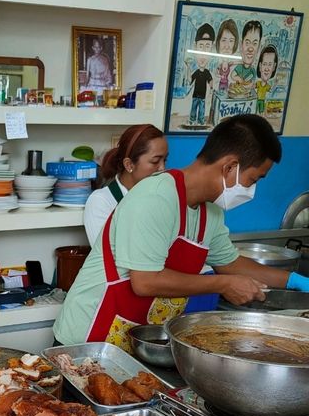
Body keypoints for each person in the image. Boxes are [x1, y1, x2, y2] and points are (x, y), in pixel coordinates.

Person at [52, 114, 309, 350]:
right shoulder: (155, 197)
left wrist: (296, 282)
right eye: (253, 180)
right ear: (230, 166)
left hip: (134, 336)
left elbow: (231, 264)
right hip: (87, 337)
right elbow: (145, 281)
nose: (252, 191)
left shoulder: (212, 211)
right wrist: (223, 284)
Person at [84, 124, 168, 247]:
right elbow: (108, 256)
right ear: (129, 165)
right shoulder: (101, 201)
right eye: (155, 161)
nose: (162, 168)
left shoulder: (161, 199)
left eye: (165, 160)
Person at [189, 23, 214, 126]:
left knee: (202, 109)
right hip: (195, 95)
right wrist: (188, 68)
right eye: (201, 46)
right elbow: (190, 80)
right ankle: (192, 119)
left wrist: (212, 88)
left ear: (212, 48)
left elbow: (210, 81)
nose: (204, 51)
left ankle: (201, 121)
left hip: (203, 96)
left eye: (207, 46)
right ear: (195, 46)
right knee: (194, 107)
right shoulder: (196, 71)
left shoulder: (207, 72)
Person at [229, 20, 262, 97]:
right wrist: (239, 79)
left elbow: (253, 82)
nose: (250, 49)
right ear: (241, 45)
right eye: (247, 43)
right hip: (236, 95)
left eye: (255, 43)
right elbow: (233, 75)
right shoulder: (240, 67)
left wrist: (248, 86)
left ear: (259, 47)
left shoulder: (252, 70)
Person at [214, 18, 239, 95]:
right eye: (224, 40)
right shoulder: (214, 64)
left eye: (231, 41)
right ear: (218, 41)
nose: (227, 46)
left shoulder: (236, 68)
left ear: (235, 43)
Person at [255, 44, 278, 114]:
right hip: (256, 100)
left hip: (262, 101)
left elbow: (271, 90)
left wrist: (276, 83)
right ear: (260, 66)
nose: (267, 69)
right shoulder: (258, 83)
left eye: (270, 64)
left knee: (261, 112)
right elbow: (253, 87)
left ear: (274, 67)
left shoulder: (267, 86)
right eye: (264, 64)